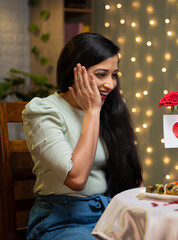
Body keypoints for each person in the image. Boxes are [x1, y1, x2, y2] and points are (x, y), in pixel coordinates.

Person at [23, 33, 143, 239]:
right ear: (74, 72)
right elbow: (76, 179)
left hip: (111, 214)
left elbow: (129, 176)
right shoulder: (43, 110)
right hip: (62, 221)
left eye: (113, 74)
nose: (110, 84)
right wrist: (92, 111)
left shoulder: (112, 107)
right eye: (101, 74)